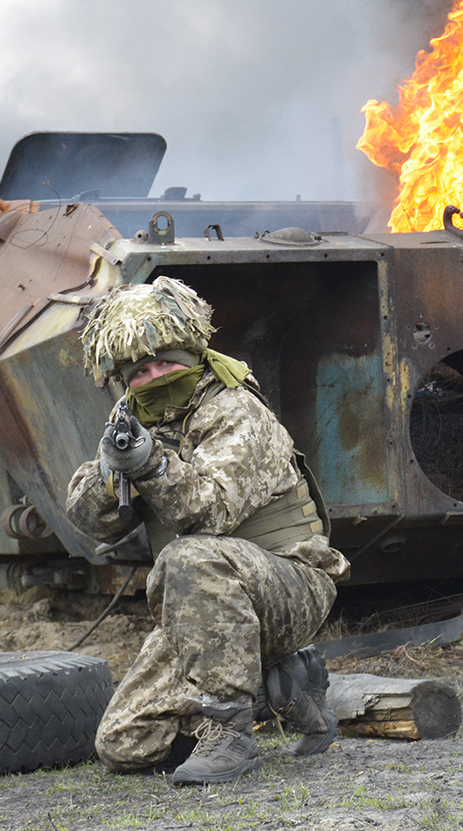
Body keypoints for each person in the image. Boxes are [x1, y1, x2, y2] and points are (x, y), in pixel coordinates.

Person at [67, 276, 350, 785]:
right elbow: (92, 523)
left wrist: (150, 465)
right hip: (205, 609)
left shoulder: (234, 408)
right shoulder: (132, 420)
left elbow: (209, 514)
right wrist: (112, 474)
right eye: (141, 371)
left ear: (194, 354)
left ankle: (231, 733)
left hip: (290, 582)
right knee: (123, 743)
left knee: (189, 556)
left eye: (168, 363)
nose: (156, 376)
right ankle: (284, 684)